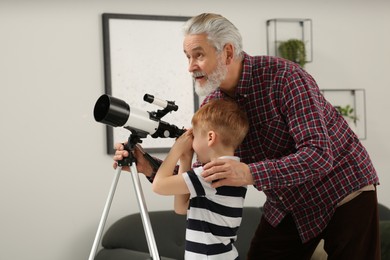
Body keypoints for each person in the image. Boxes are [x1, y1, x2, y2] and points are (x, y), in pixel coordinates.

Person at [113, 13, 380, 259]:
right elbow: (202, 177)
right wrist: (148, 166)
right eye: (187, 57)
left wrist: (248, 173)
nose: (191, 67)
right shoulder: (212, 105)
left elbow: (319, 155)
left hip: (343, 189)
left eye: (198, 55)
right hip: (287, 203)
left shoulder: (285, 77)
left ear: (227, 52)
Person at [152, 99, 249, 259]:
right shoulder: (231, 170)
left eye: (194, 136)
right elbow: (181, 207)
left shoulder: (212, 173)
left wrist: (175, 150)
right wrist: (185, 159)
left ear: (210, 137)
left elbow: (159, 186)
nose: (192, 143)